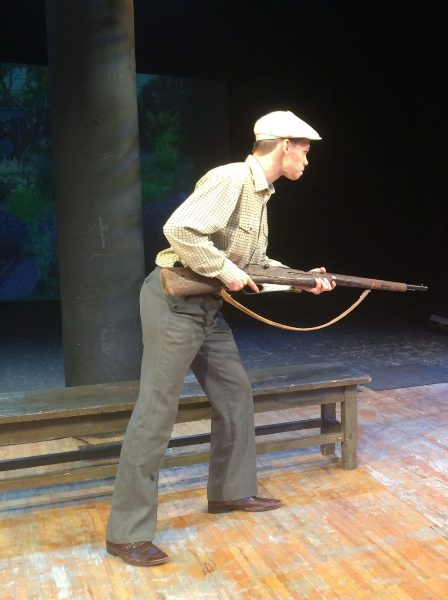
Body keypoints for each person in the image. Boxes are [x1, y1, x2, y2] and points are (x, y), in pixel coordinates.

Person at [106, 110, 334, 566]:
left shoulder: (261, 195)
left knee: (234, 391)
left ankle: (231, 491)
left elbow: (254, 265)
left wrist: (302, 280)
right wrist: (227, 272)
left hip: (207, 307)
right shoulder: (231, 179)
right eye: (305, 149)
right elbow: (180, 231)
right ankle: (126, 534)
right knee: (156, 411)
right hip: (175, 304)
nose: (308, 158)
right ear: (285, 145)